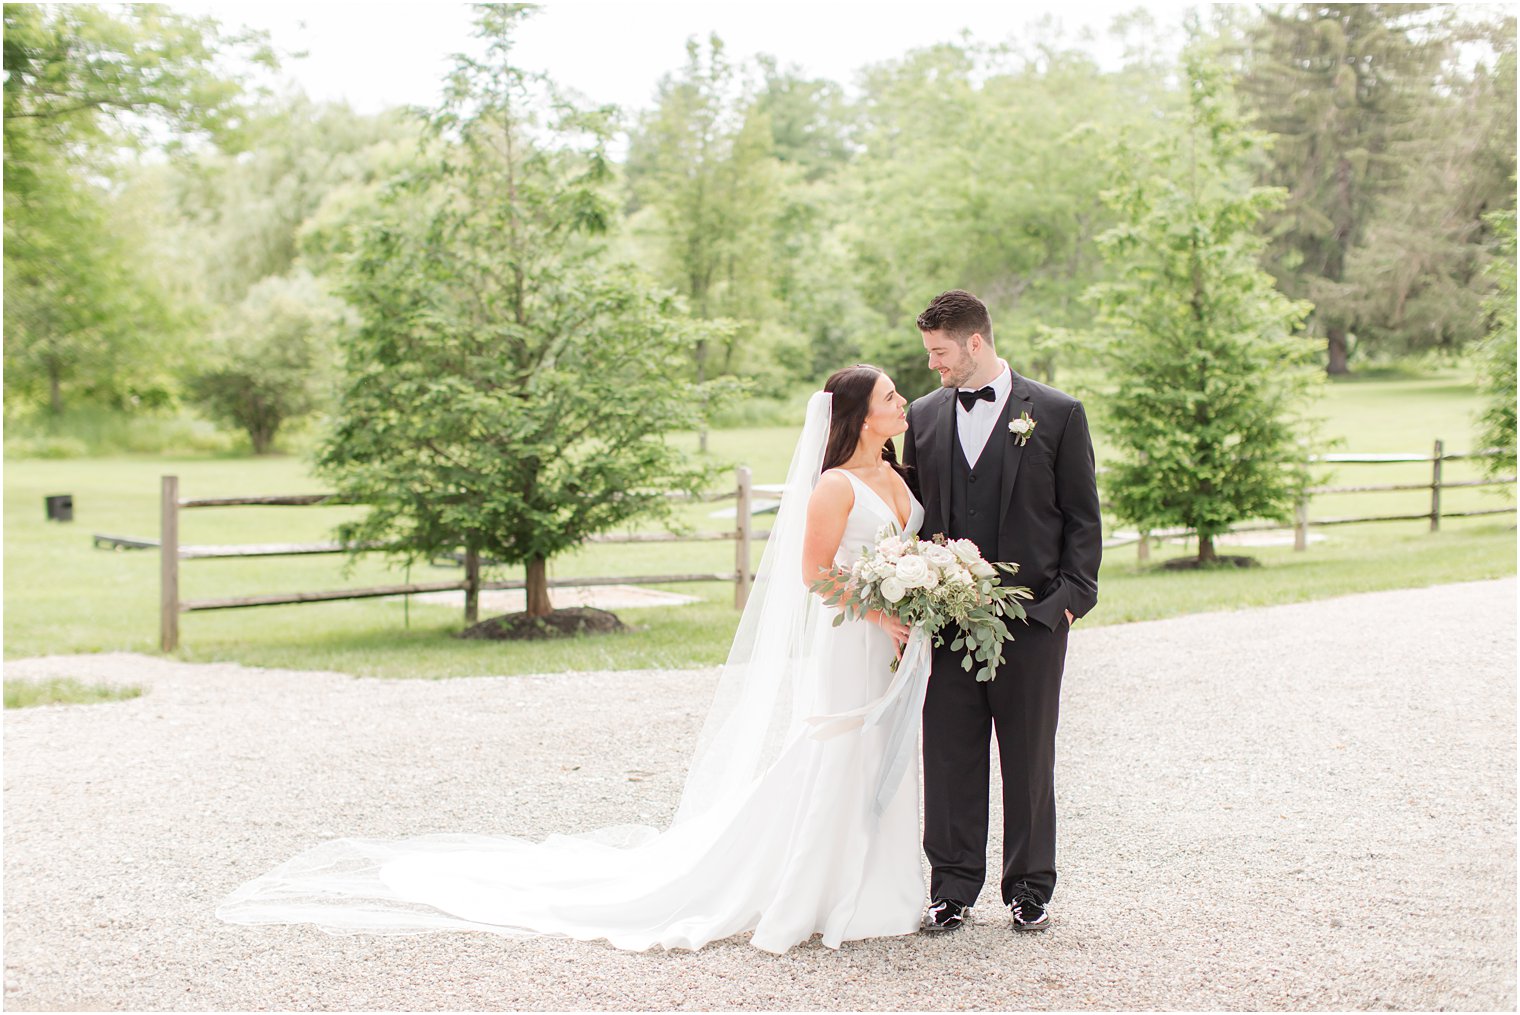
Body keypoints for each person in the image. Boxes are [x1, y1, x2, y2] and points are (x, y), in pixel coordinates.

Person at [217, 365, 933, 954]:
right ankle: (819, 885)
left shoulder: (899, 477)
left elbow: (903, 554)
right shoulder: (835, 485)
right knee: (842, 744)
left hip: (897, 637)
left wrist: (922, 596)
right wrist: (877, 611)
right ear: (859, 415)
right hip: (855, 637)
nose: (902, 402)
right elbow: (814, 572)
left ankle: (883, 884)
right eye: (891, 397)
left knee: (892, 750)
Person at [902, 289, 1102, 934]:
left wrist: (1068, 603)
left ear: (975, 343)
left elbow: (1082, 519)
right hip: (947, 622)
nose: (933, 366)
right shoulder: (925, 417)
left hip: (1035, 622)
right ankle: (952, 887)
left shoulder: (1056, 412)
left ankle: (1029, 887)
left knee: (1028, 755)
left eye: (940, 353)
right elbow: (910, 513)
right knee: (950, 756)